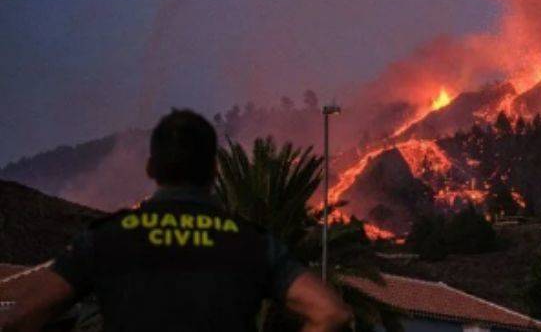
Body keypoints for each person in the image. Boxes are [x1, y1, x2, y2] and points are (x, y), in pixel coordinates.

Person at [6, 109, 353, 332]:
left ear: (151, 168)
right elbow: (331, 313)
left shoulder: (107, 239)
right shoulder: (250, 243)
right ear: (214, 170)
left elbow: (21, 315)